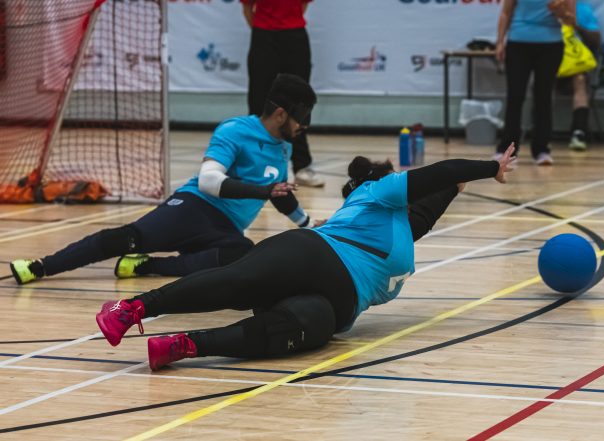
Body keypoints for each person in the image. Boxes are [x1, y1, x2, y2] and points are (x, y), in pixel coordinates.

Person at [94, 144, 517, 371]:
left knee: (306, 332)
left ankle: (183, 346)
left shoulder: (402, 230)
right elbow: (435, 175)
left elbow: (431, 201)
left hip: (337, 305)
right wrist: (488, 167)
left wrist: (459, 184)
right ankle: (132, 309)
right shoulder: (378, 193)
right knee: (236, 283)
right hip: (312, 255)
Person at [10, 74, 319, 285]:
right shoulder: (235, 130)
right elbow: (209, 182)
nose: (304, 126)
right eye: (300, 118)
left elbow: (281, 195)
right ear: (280, 114)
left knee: (242, 255)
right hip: (193, 209)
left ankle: (147, 265)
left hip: (225, 229)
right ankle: (40, 267)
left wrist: (307, 224)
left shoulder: (283, 147)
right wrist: (263, 190)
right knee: (125, 238)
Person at [242, 0, 324, 188]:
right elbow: (247, 9)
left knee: (300, 100)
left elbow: (302, 6)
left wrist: (285, 25)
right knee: (258, 102)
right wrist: (265, 30)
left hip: (294, 36)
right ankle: (255, 168)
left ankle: (302, 167)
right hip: (263, 37)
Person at [494, 0, 575, 165]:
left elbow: (571, 21)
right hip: (518, 43)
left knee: (543, 97)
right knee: (515, 96)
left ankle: (542, 149)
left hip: (551, 46)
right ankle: (506, 150)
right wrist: (500, 42)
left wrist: (561, 12)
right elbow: (505, 13)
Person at [552, 0, 601, 151]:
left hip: (573, 64)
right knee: (540, 82)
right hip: (550, 62)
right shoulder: (545, 11)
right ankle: (541, 131)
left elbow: (596, 40)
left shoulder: (583, 10)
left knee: (579, 80)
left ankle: (579, 132)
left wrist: (576, 26)